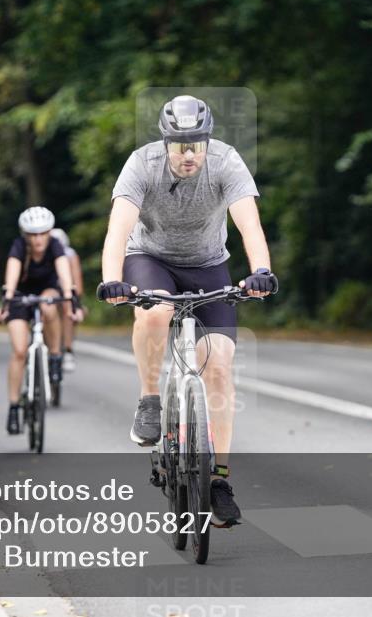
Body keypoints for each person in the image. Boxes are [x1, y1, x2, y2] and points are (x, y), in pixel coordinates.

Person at [97, 95, 277, 527]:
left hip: (209, 265)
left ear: (207, 141)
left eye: (197, 144)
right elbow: (118, 230)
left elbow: (249, 224)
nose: (189, 154)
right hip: (150, 259)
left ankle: (219, 480)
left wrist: (261, 271)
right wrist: (111, 279)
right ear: (166, 143)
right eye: (180, 146)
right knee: (155, 311)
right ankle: (149, 400)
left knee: (219, 366)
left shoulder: (226, 162)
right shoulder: (142, 165)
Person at [0, 207, 84, 434]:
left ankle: (55, 356)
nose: (38, 239)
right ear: (26, 235)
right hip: (21, 297)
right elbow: (11, 277)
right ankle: (14, 407)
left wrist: (71, 301)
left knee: (49, 305)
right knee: (19, 351)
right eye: (33, 235)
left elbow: (65, 275)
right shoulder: (19, 246)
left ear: (49, 232)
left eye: (43, 233)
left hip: (48, 291)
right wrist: (7, 301)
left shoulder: (55, 245)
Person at [50, 228, 83, 372]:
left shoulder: (70, 255)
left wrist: (76, 301)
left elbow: (77, 281)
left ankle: (68, 349)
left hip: (66, 290)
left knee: (67, 309)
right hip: (49, 289)